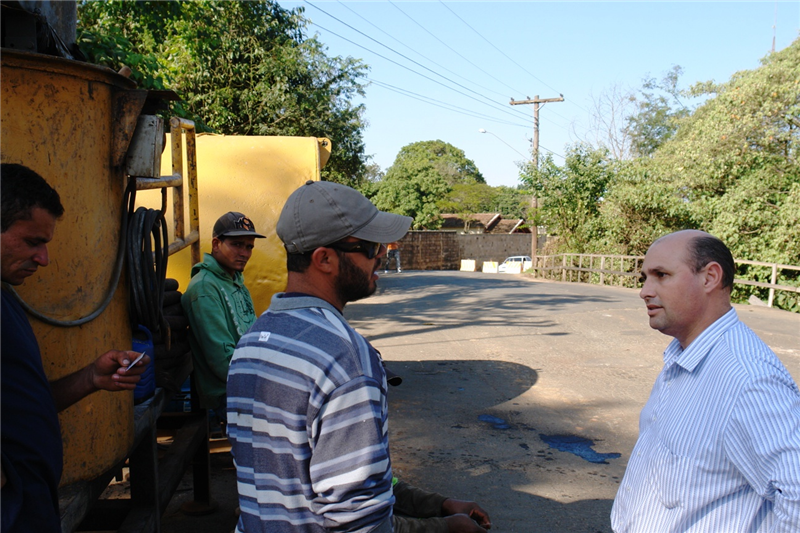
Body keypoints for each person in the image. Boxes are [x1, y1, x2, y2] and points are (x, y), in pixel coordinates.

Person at [227, 180, 490, 533]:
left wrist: (436, 506)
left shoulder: (254, 342)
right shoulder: (348, 360)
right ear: (324, 259)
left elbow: (319, 475)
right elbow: (360, 526)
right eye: (370, 247)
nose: (382, 253)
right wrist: (449, 528)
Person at [610, 229, 800, 532]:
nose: (644, 290)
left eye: (661, 275)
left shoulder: (748, 379)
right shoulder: (683, 355)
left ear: (710, 277)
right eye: (644, 277)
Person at [0, 163, 150, 533]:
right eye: (32, 242)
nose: (43, 259)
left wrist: (90, 378)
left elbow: (23, 406)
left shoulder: (6, 300)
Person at [181, 211, 264, 418]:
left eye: (249, 247)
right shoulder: (205, 289)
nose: (244, 253)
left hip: (247, 381)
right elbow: (221, 360)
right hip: (230, 393)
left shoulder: (235, 280)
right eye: (237, 245)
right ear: (216, 244)